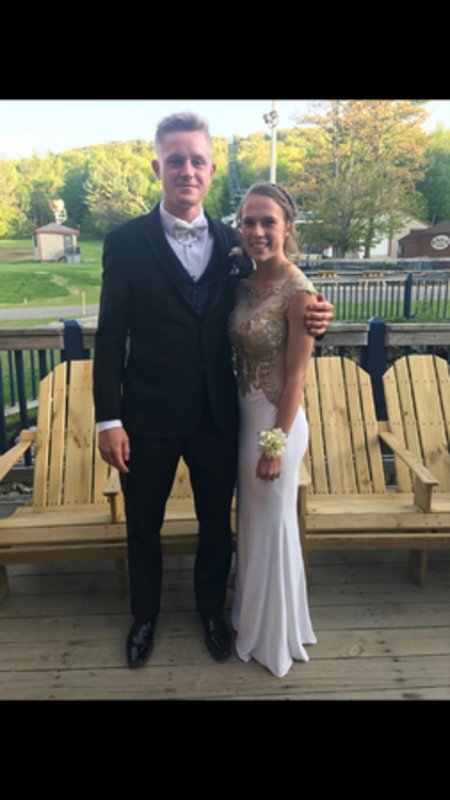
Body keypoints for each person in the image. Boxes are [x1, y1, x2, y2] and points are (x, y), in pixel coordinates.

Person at [93, 112, 333, 669]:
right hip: (147, 414)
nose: (187, 169)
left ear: (211, 168)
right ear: (157, 167)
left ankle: (211, 612)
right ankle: (144, 617)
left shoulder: (235, 242)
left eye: (197, 160)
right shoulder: (125, 242)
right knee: (143, 526)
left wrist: (318, 316)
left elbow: (280, 292)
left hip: (220, 416)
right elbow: (109, 337)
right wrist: (109, 419)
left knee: (216, 526)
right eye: (175, 159)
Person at [229, 182, 317, 677]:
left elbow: (297, 376)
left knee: (273, 524)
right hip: (244, 418)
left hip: (274, 423)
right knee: (254, 524)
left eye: (268, 222)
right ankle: (252, 619)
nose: (258, 231)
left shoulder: (300, 292)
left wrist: (276, 445)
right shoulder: (244, 283)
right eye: (249, 221)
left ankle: (275, 638)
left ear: (287, 228)